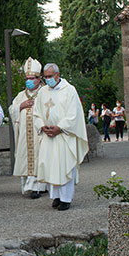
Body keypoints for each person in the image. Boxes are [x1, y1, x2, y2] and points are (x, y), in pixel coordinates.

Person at [33, 63, 89, 211]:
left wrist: (60, 127)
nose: (47, 79)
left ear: (58, 75)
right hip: (48, 135)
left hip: (64, 135)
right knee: (52, 166)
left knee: (64, 165)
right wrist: (42, 126)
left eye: (50, 76)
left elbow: (73, 114)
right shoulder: (42, 92)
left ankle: (66, 198)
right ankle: (56, 196)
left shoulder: (69, 90)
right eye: (45, 77)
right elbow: (36, 113)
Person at [8, 58, 46, 199]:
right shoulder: (21, 95)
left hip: (39, 133)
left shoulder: (45, 92)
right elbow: (12, 110)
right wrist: (20, 106)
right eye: (27, 78)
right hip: (24, 134)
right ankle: (29, 186)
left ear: (39, 78)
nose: (29, 81)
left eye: (32, 78)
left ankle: (39, 186)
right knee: (27, 158)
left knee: (39, 158)